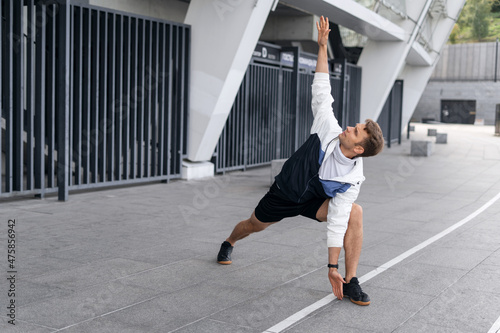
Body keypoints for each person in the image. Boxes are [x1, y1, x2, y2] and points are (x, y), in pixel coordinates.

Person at [216, 16, 384, 306]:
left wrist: (332, 268)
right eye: (354, 125)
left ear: (358, 149)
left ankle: (351, 280)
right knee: (254, 225)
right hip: (284, 192)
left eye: (354, 131)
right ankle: (228, 242)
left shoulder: (352, 179)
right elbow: (322, 91)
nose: (348, 127)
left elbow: (337, 221)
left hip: (312, 202)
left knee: (354, 213)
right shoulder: (327, 128)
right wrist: (321, 47)